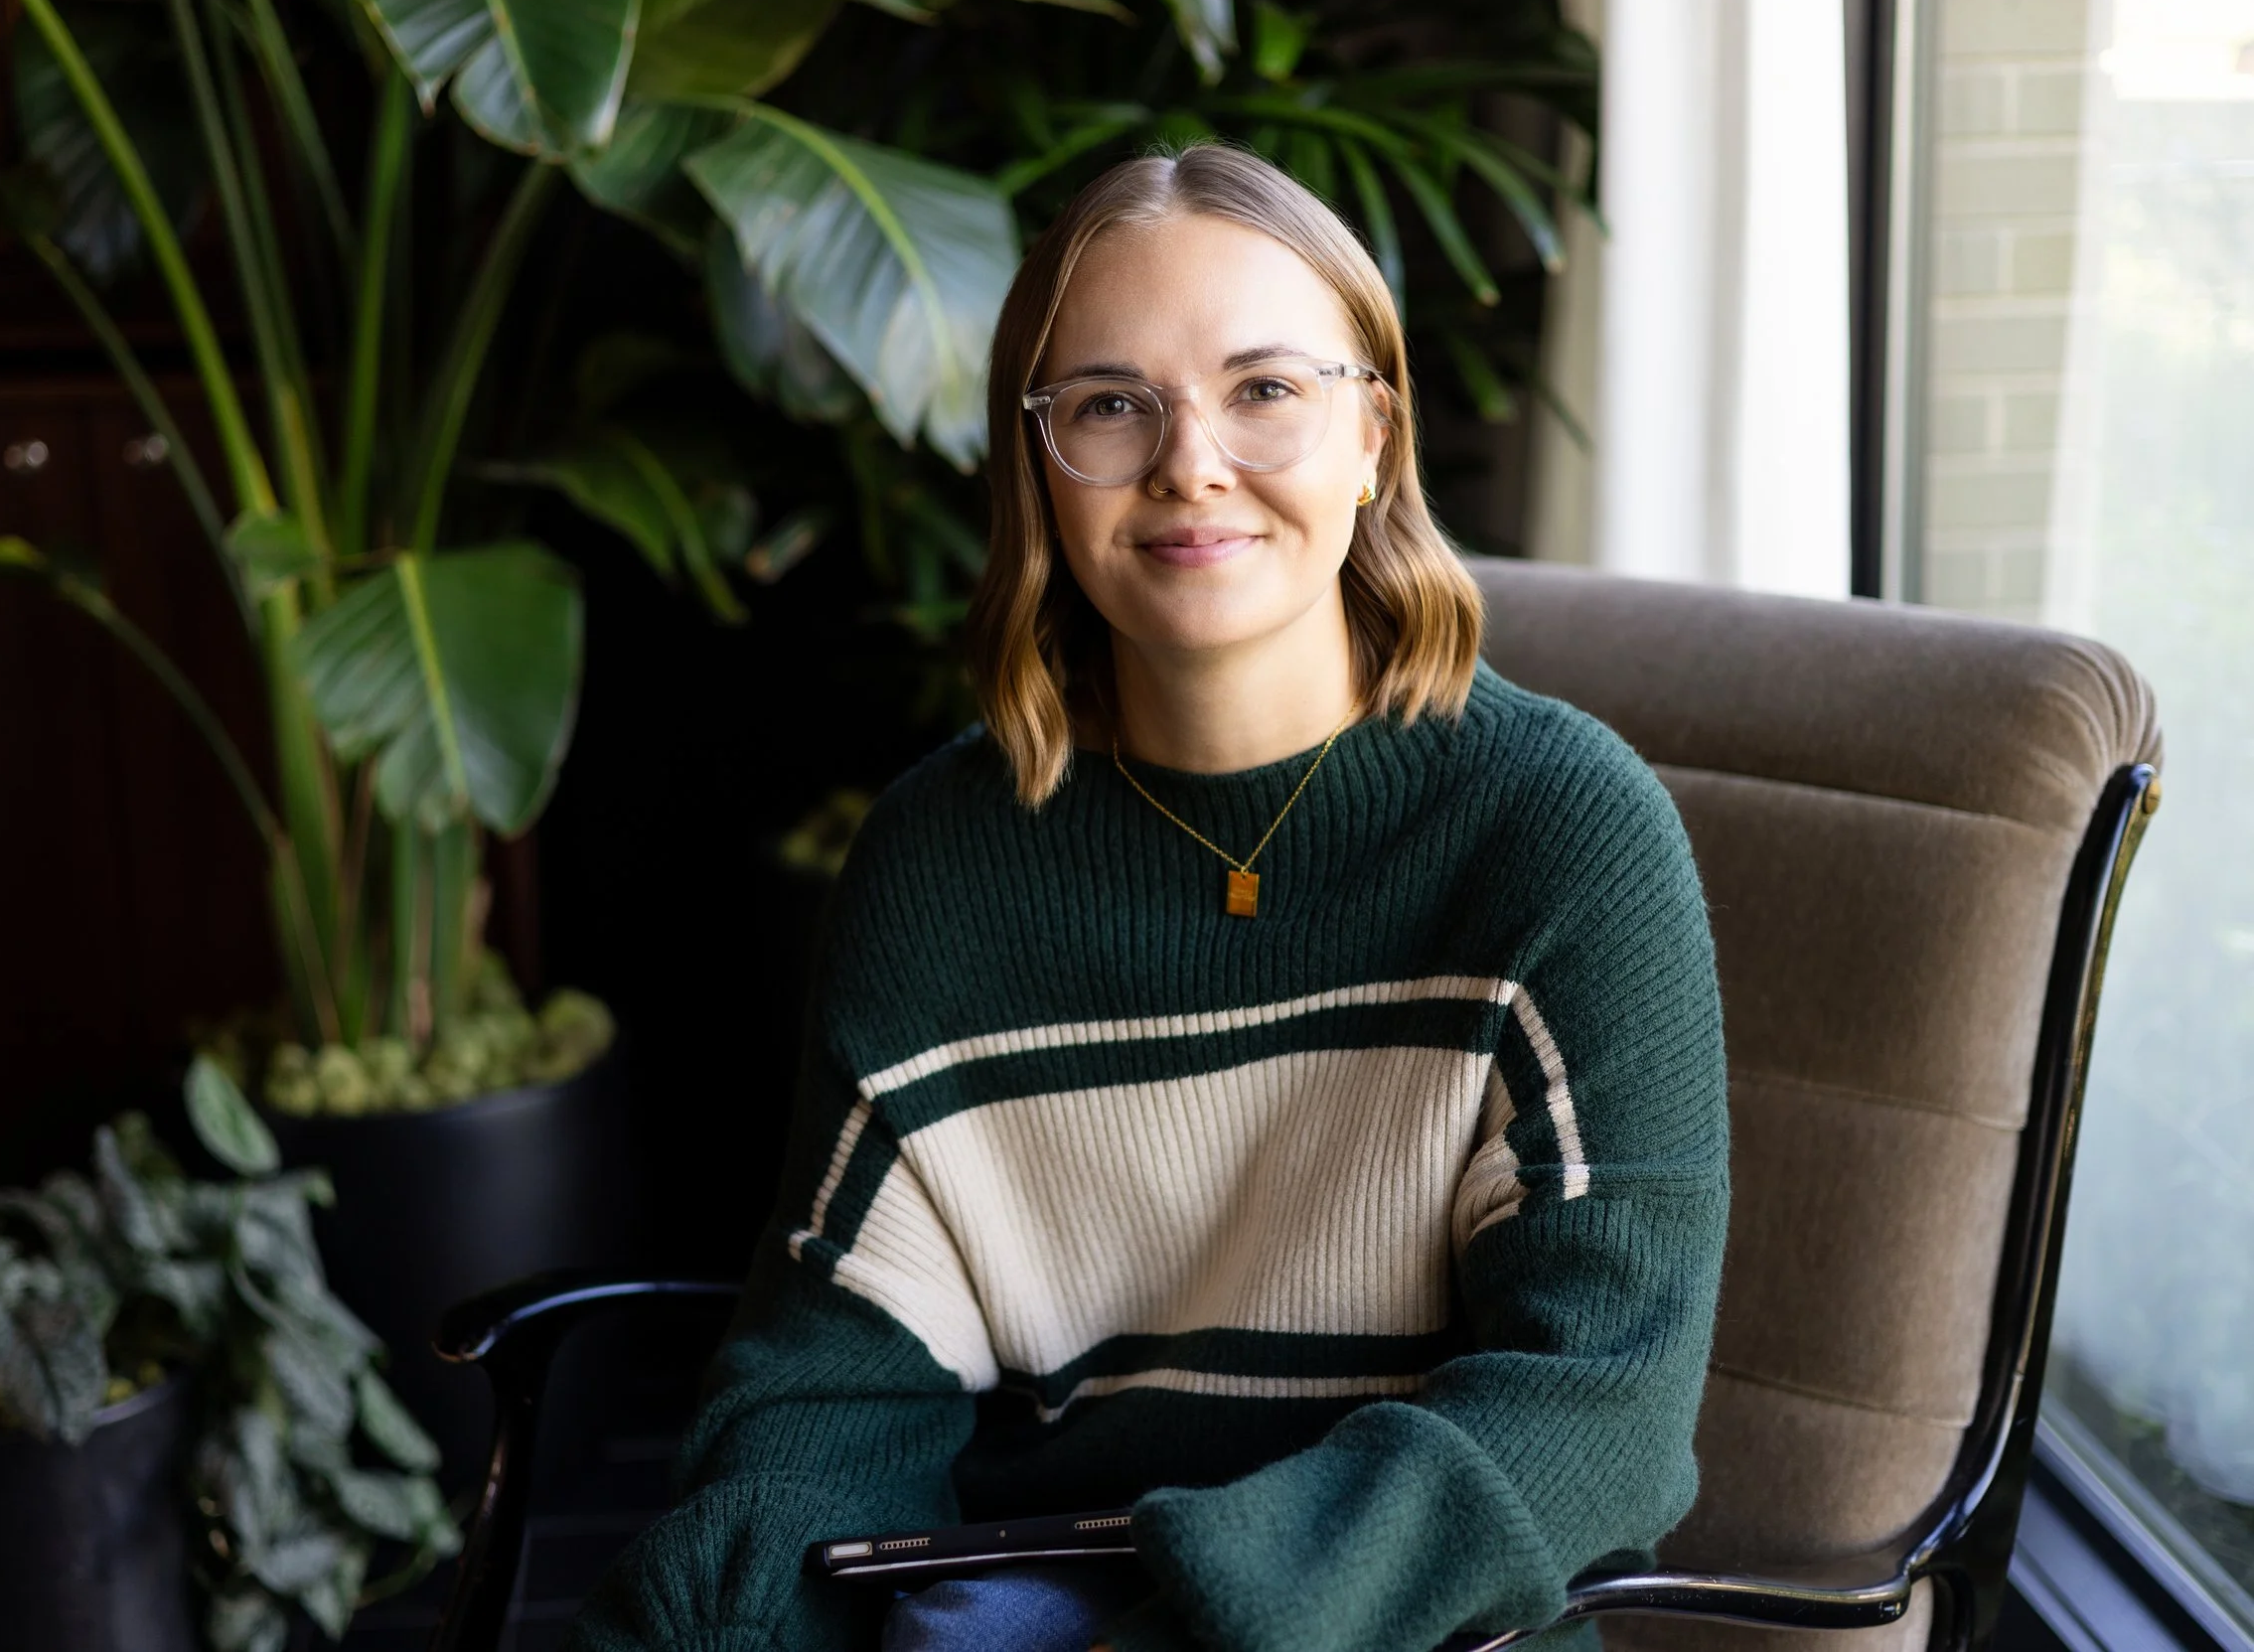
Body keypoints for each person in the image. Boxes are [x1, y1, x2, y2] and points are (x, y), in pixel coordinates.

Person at [572, 143, 1728, 1652]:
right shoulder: (939, 864)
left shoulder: (1561, 831)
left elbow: (1598, 1408)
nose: (1191, 462)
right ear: (1039, 467)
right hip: (1018, 1594)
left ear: (1374, 432)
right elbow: (838, 1377)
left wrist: (1209, 1624)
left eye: (1265, 390)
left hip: (1409, 1628)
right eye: (1113, 405)